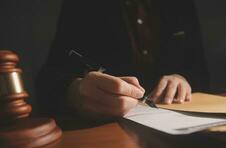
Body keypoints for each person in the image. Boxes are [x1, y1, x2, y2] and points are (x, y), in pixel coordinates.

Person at [37, 0, 209, 120]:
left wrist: (182, 78)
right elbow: (49, 80)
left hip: (176, 118)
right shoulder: (83, 4)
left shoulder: (181, 4)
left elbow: (201, 71)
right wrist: (75, 94)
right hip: (105, 133)